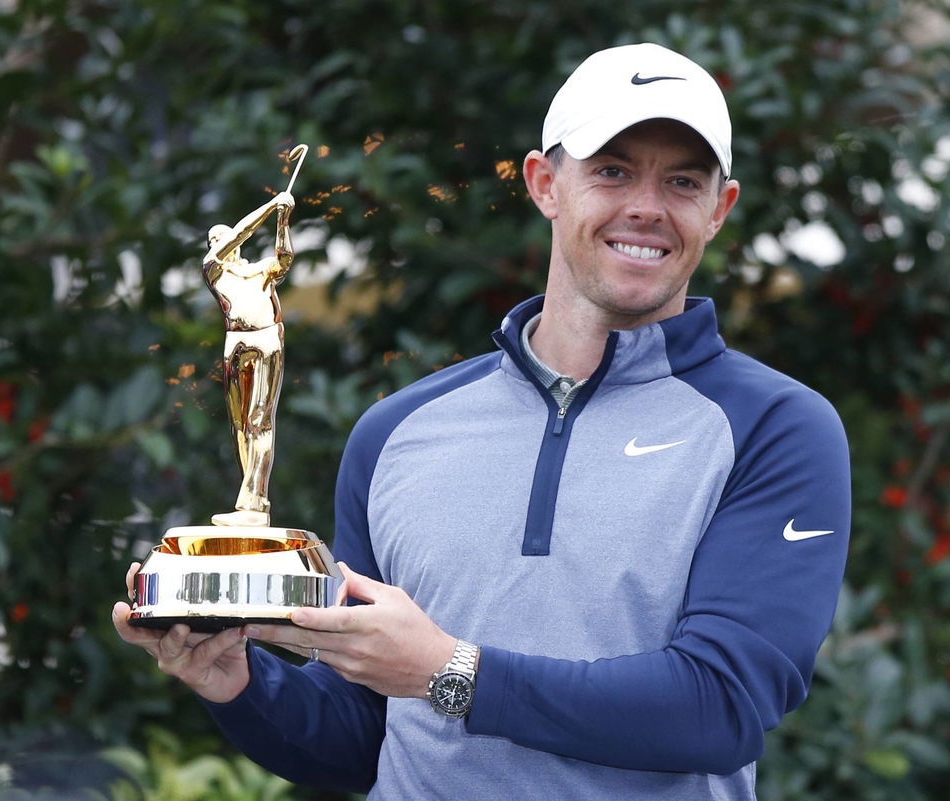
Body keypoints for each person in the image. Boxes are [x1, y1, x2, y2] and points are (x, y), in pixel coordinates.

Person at [113, 43, 851, 800]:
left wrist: (451, 671)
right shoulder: (396, 432)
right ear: (544, 184)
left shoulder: (775, 428)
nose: (646, 206)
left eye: (684, 181)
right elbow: (366, 735)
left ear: (720, 209)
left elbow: (720, 705)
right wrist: (239, 684)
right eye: (612, 170)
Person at [201, 189, 295, 527]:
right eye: (213, 240)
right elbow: (242, 231)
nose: (219, 243)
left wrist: (282, 219)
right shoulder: (213, 270)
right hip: (235, 345)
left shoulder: (258, 271)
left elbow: (284, 259)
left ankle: (255, 500)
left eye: (221, 238)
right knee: (240, 426)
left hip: (265, 340)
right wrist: (270, 205)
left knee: (259, 420)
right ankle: (250, 500)